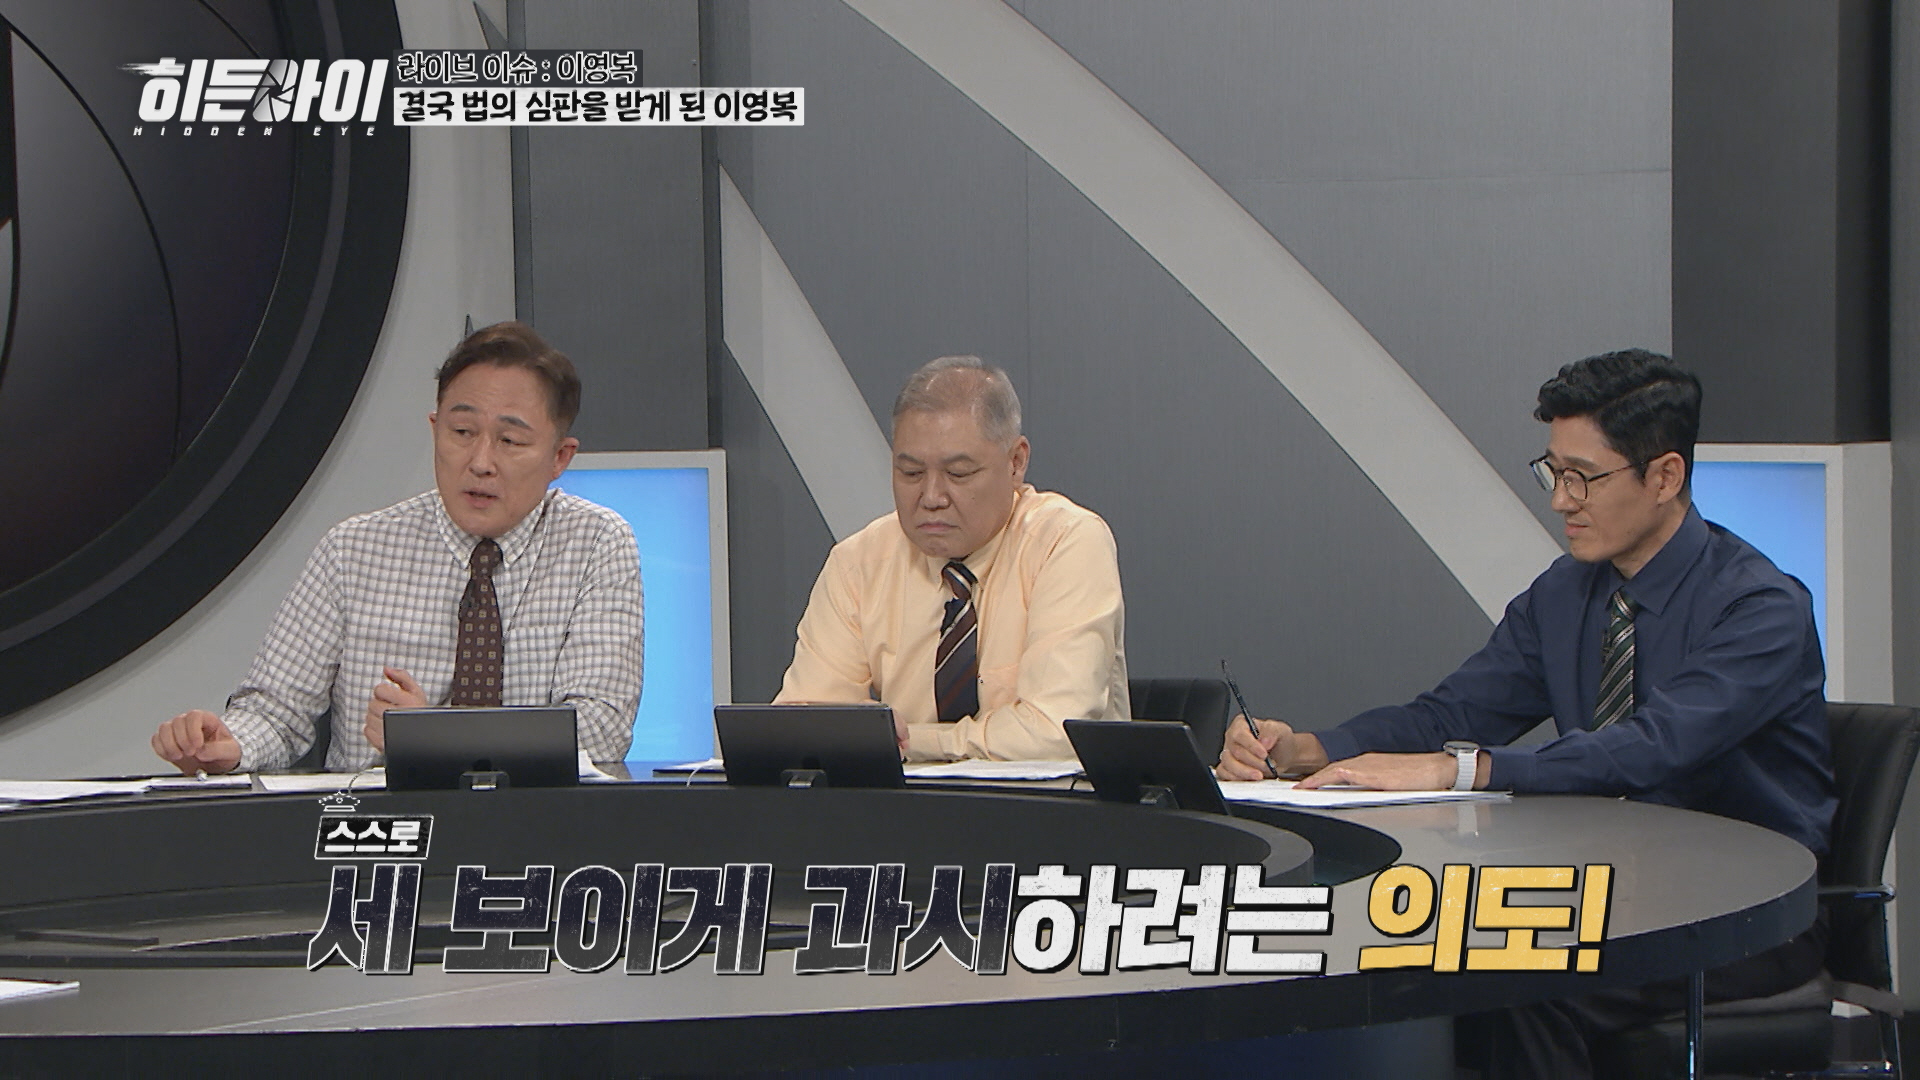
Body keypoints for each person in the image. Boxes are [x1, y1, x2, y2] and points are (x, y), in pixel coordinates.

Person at [1218, 348, 1835, 1078]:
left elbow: (1652, 747)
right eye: (1553, 472)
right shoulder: (1565, 595)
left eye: (1583, 477)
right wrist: (1310, 748)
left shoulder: (1759, 608)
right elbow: (1452, 712)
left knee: (1518, 977)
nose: (1560, 501)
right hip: (1604, 892)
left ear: (1665, 476)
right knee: (1421, 955)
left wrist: (1462, 770)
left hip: (1742, 917)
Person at [151, 321, 644, 774]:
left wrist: (437, 738)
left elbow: (601, 730)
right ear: (435, 429)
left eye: (510, 441)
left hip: (533, 823)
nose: (480, 462)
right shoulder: (353, 551)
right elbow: (276, 714)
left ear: (560, 457)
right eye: (462, 432)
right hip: (381, 825)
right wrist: (229, 745)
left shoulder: (597, 544)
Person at [776, 355, 1128, 761]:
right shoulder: (858, 564)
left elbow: (1054, 732)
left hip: (1052, 799)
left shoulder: (1065, 542)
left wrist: (909, 742)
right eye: (910, 473)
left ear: (1016, 462)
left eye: (958, 474)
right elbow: (807, 727)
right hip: (905, 802)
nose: (931, 497)